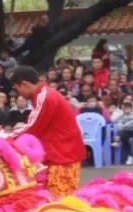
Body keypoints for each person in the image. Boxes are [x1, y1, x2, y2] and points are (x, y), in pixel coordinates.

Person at [10, 66, 86, 195]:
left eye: (17, 89)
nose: (19, 94)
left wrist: (5, 137)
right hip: (62, 154)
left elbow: (34, 127)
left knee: (59, 202)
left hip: (62, 156)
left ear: (24, 84)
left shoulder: (44, 96)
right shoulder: (45, 94)